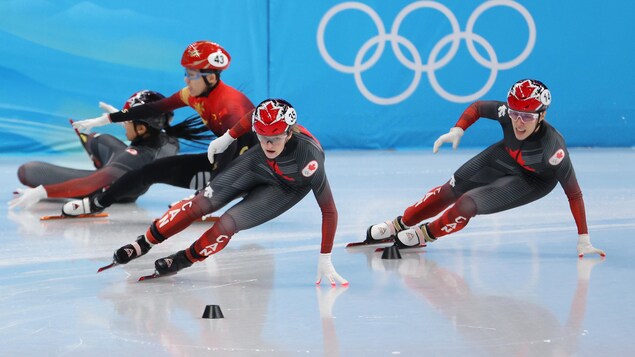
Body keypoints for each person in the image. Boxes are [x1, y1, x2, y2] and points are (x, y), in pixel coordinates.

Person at [106, 98, 348, 285]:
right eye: (262, 137)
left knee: (227, 224)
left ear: (289, 132)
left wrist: (325, 256)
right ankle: (144, 242)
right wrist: (226, 138)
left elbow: (329, 210)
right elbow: (252, 116)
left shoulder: (309, 159)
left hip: (286, 187)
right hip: (257, 164)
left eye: (274, 138)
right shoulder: (262, 128)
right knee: (200, 204)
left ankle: (183, 259)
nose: (268, 144)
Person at [366, 79, 605, 258]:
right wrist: (458, 129)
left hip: (533, 180)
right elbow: (479, 107)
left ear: (541, 116)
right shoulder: (507, 114)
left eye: (527, 117)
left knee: (467, 203)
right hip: (506, 155)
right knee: (452, 187)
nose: (519, 122)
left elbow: (574, 193)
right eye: (514, 114)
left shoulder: (554, 150)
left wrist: (583, 237)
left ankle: (424, 234)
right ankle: (398, 224)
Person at [62, 40, 257, 216]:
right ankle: (95, 203)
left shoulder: (230, 108)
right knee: (149, 171)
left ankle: (209, 197)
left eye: (191, 75)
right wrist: (107, 119)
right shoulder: (192, 94)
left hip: (253, 169)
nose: (186, 80)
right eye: (185, 74)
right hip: (228, 160)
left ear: (211, 79)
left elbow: (231, 150)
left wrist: (204, 196)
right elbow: (151, 109)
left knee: (224, 161)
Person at [8, 90, 208, 210]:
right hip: (130, 180)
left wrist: (42, 192)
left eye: (128, 120)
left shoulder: (134, 157)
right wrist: (124, 119)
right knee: (104, 140)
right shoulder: (169, 139)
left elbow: (90, 184)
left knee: (28, 170)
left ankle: (94, 152)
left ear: (141, 128)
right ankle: (94, 149)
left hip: (114, 189)